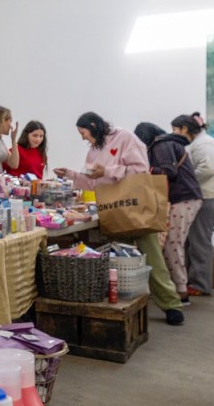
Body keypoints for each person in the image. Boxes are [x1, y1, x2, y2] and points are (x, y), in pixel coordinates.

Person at [55, 112, 185, 325]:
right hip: (112, 210)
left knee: (152, 258)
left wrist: (107, 170)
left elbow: (140, 170)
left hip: (135, 208)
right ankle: (124, 304)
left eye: (83, 133)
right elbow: (91, 183)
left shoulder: (125, 138)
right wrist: (69, 174)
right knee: (118, 261)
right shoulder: (93, 151)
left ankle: (171, 305)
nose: (83, 138)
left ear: (94, 125)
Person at [134, 122, 203, 303]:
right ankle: (175, 289)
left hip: (182, 198)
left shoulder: (161, 145)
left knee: (173, 244)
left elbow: (168, 171)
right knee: (172, 244)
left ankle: (180, 292)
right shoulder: (168, 143)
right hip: (186, 198)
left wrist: (143, 171)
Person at [171, 113, 214, 297]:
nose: (174, 134)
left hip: (209, 196)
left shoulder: (204, 144)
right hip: (204, 195)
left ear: (184, 129)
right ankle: (190, 281)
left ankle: (201, 284)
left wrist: (185, 178)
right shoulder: (198, 143)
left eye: (175, 130)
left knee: (199, 241)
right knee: (191, 241)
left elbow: (208, 169)